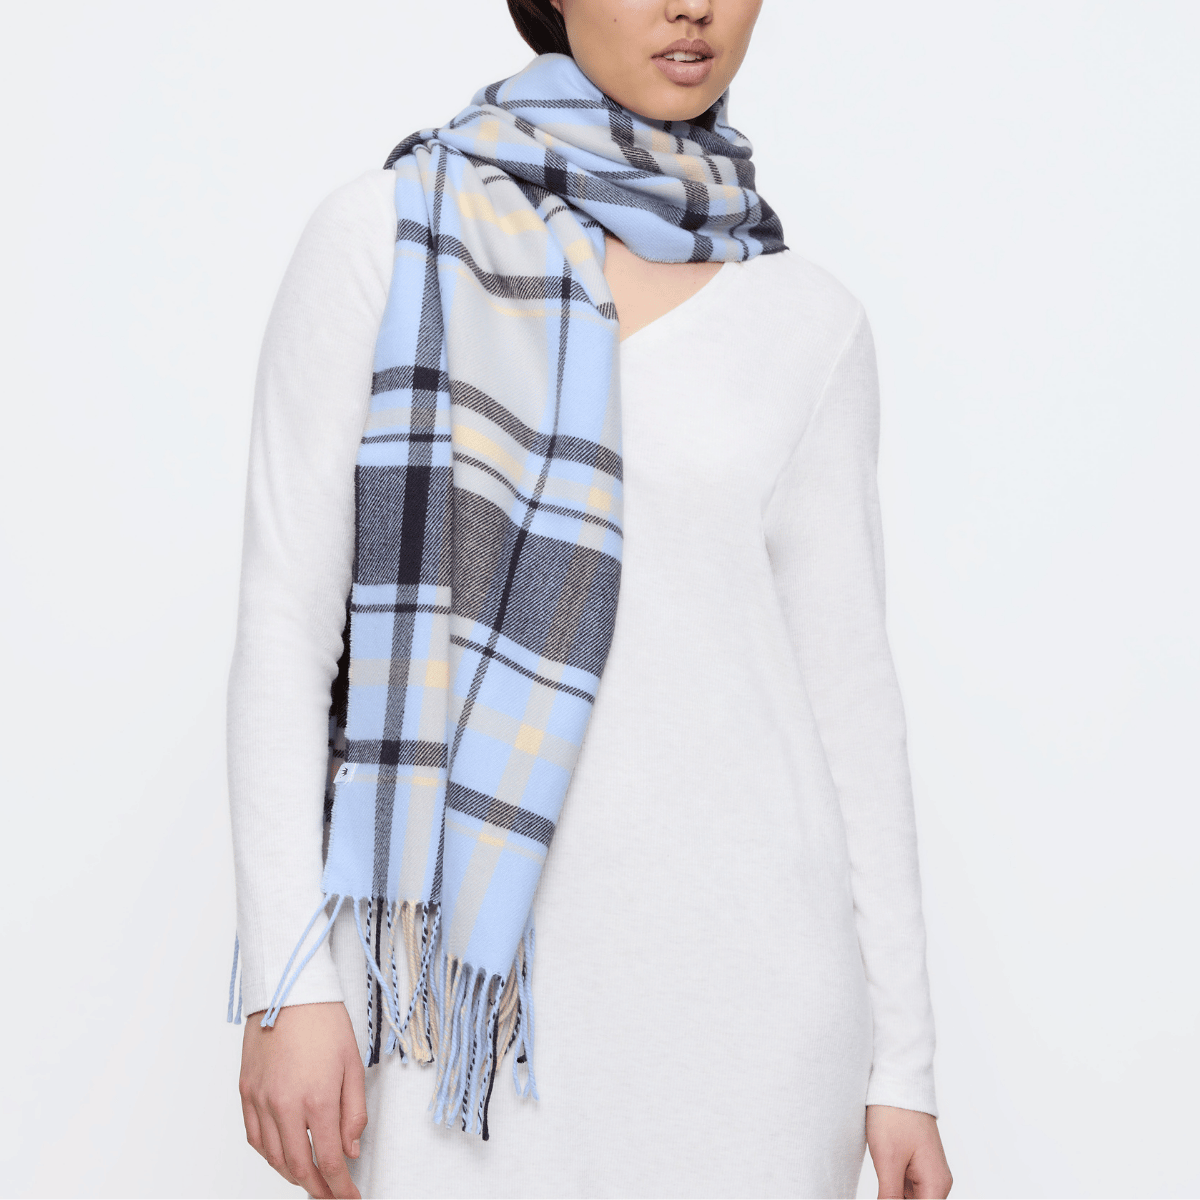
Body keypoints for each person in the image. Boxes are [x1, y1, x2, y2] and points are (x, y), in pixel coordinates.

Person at [227, 1, 954, 1196]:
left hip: (758, 1012)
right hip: (461, 1011)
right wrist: (288, 979)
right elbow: (284, 630)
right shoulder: (390, 237)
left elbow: (852, 707)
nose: (692, 6)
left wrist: (905, 1065)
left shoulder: (808, 320)